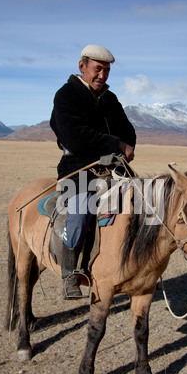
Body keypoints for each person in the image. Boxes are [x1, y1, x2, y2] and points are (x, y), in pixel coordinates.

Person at [50, 44, 136, 299]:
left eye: (106, 71)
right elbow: (75, 138)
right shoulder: (66, 95)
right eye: (97, 69)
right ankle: (70, 273)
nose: (102, 75)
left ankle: (136, 265)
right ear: (82, 66)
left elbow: (128, 131)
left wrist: (123, 146)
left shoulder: (110, 99)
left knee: (144, 203)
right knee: (80, 208)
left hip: (113, 168)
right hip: (78, 170)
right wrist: (116, 143)